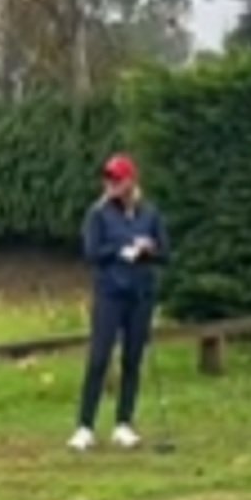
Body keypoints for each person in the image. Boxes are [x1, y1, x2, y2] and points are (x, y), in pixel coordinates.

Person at [68, 154, 168, 453]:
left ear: (130, 182)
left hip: (140, 295)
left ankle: (123, 423)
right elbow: (92, 252)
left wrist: (148, 249)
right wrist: (121, 249)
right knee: (99, 358)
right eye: (108, 179)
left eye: (117, 179)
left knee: (132, 359)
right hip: (110, 293)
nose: (110, 184)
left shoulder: (149, 214)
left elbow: (165, 252)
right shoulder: (98, 215)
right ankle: (85, 426)